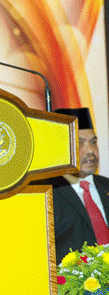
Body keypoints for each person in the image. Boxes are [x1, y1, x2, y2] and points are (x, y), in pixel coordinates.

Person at [45, 108, 109, 263]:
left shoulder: (106, 186)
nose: (91, 151)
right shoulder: (47, 193)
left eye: (93, 142)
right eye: (80, 143)